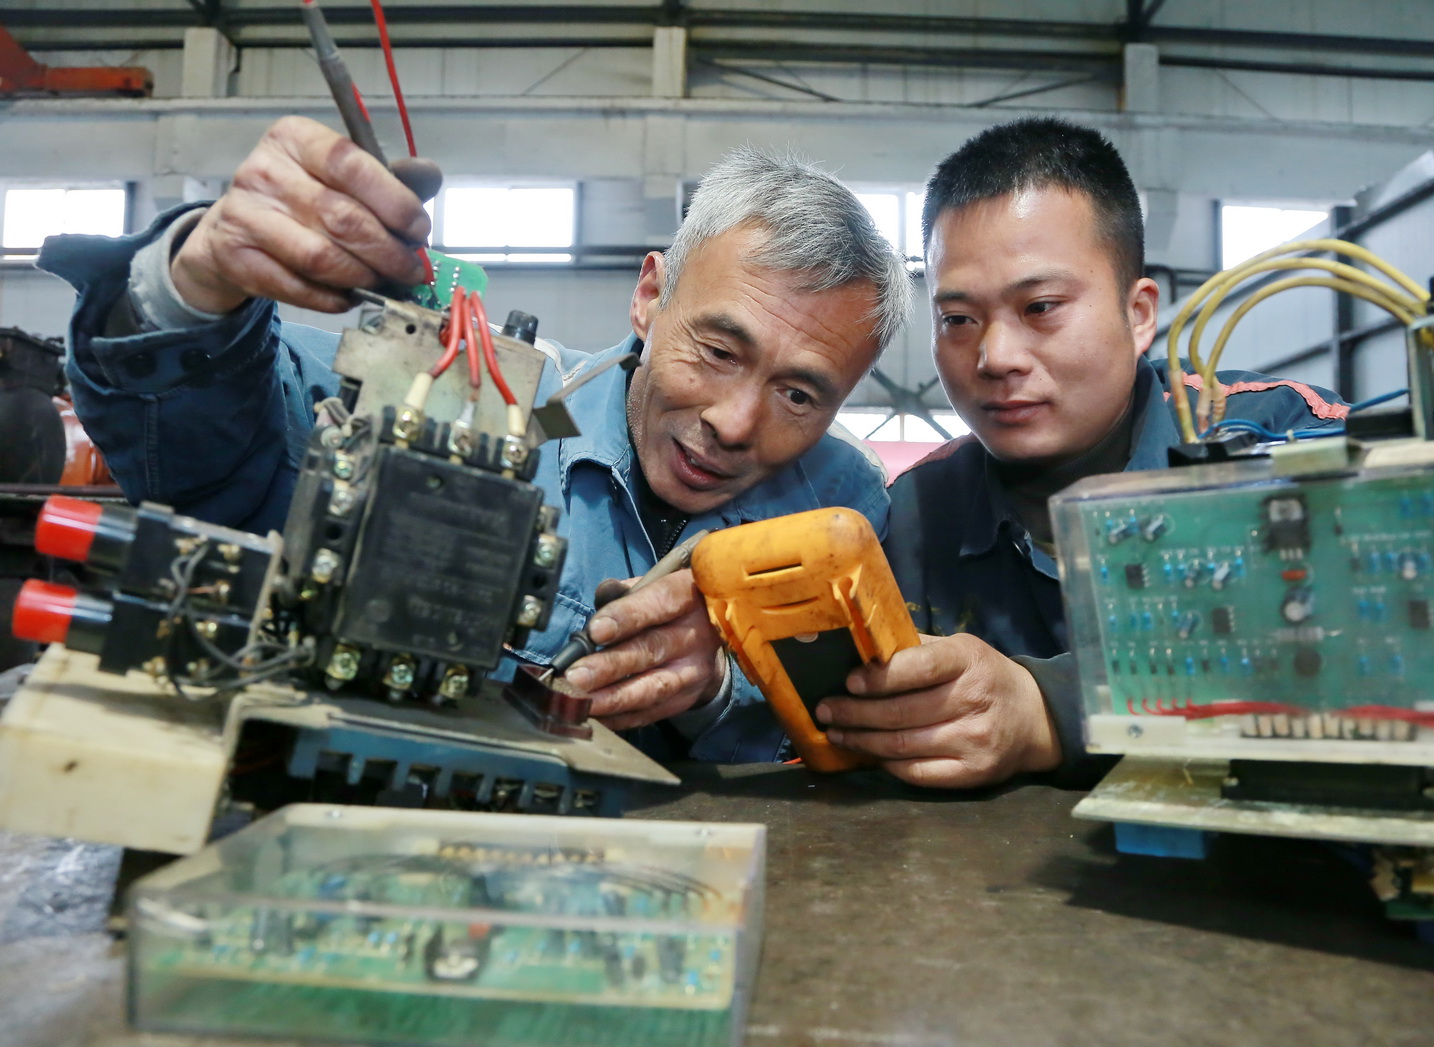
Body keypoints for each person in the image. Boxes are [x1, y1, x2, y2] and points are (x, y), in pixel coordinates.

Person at [37, 116, 911, 764]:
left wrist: (717, 686)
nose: (736, 421)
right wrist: (194, 284)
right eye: (718, 351)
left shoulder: (843, 507)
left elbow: (841, 725)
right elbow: (216, 442)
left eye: (800, 394)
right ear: (650, 297)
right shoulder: (466, 393)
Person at [816, 117, 1346, 790]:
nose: (996, 357)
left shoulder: (1287, 438)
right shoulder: (915, 517)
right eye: (958, 319)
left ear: (1139, 313)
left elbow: (1386, 643)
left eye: (1040, 306)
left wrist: (1050, 708)